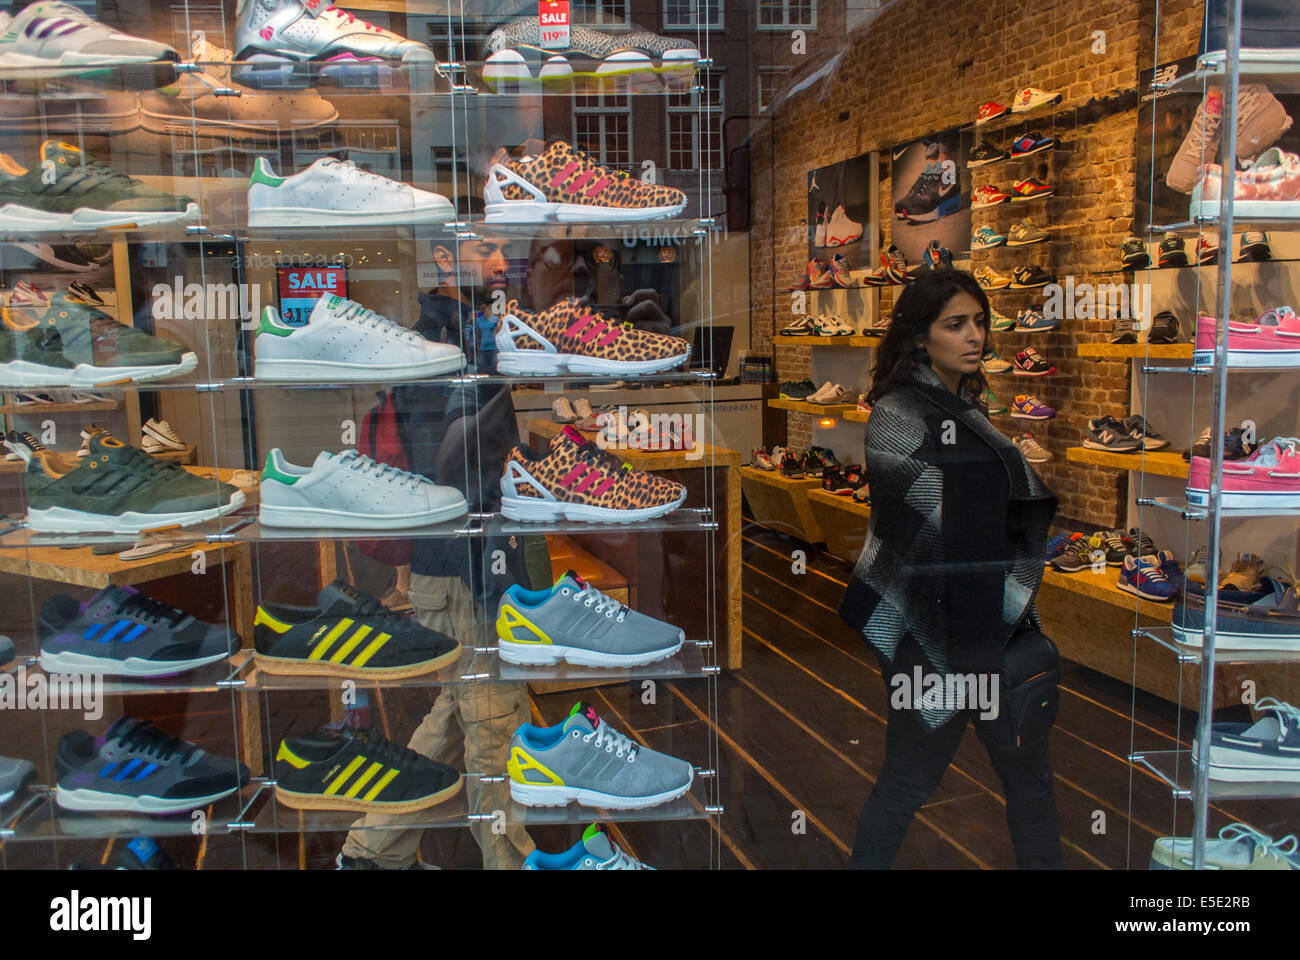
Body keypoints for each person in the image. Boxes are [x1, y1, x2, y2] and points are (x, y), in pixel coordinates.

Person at [838, 269, 1061, 869]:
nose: (975, 337)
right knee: (907, 782)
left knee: (1030, 784)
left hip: (993, 626)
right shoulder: (895, 414)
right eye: (955, 324)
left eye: (981, 322)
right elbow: (920, 518)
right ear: (918, 336)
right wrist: (1010, 508)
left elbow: (988, 505)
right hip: (931, 630)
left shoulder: (970, 408)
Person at [338, 226, 541, 870]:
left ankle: (369, 852)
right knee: (496, 729)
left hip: (463, 561)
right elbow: (452, 472)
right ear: (446, 259)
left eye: (505, 249)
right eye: (486, 251)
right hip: (462, 565)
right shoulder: (440, 347)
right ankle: (511, 863)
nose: (503, 262)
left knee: (460, 712)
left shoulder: (465, 335)